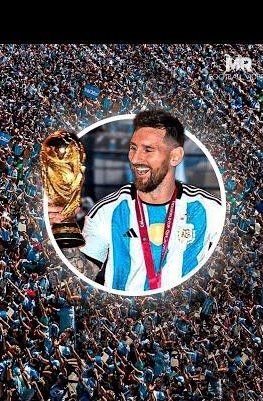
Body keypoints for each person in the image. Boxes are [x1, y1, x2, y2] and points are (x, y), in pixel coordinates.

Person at [78, 110, 224, 292]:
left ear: (175, 156)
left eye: (148, 150)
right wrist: (58, 231)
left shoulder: (209, 208)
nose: (136, 158)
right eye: (133, 148)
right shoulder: (108, 210)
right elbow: (80, 274)